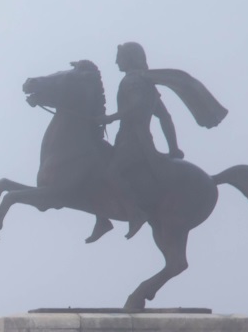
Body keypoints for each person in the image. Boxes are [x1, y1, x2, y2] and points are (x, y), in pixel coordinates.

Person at [91, 41, 227, 242]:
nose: (116, 62)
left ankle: (135, 213)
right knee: (96, 167)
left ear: (129, 58)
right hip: (130, 140)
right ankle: (102, 221)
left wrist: (111, 117)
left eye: (119, 57)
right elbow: (164, 117)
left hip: (134, 141)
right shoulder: (144, 82)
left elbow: (138, 108)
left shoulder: (133, 81)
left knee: (110, 173)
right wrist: (174, 147)